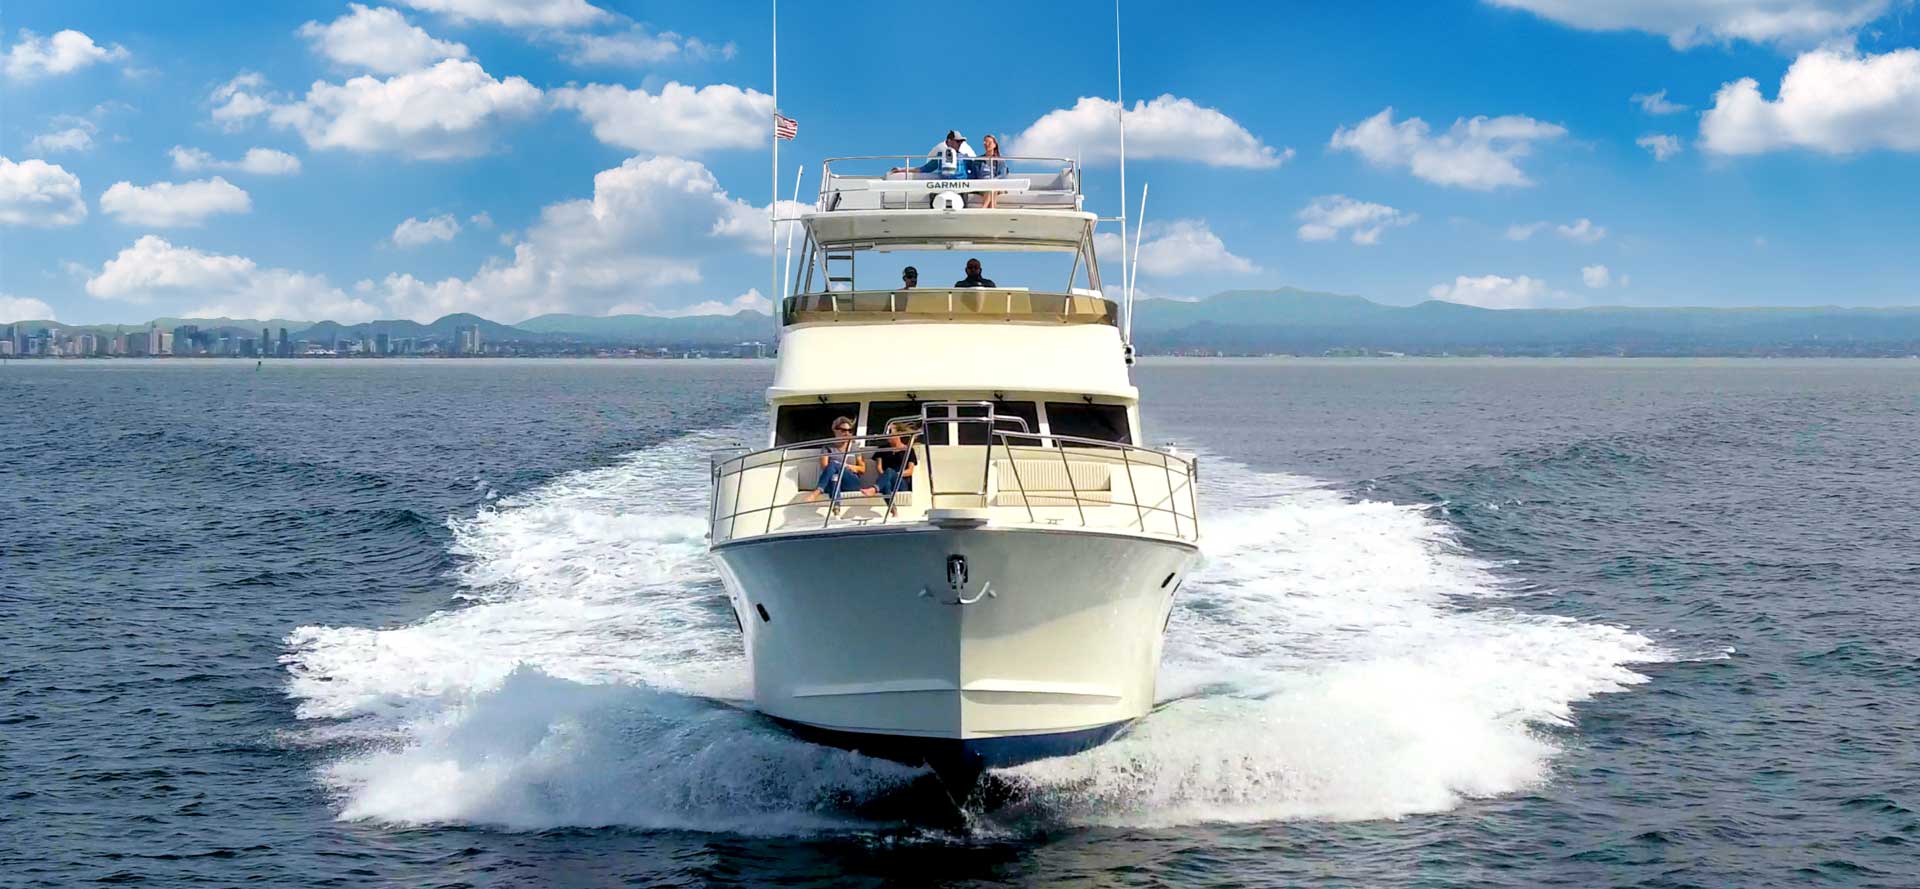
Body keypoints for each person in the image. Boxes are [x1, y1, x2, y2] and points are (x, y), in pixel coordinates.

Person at [806, 417, 874, 503]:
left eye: (850, 431)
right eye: (843, 430)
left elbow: (862, 469)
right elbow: (825, 467)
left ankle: (817, 491)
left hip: (851, 482)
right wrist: (839, 467)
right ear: (835, 430)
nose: (847, 433)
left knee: (833, 464)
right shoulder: (828, 447)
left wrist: (846, 466)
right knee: (834, 477)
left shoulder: (854, 447)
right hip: (832, 481)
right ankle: (836, 507)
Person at [873, 421, 918, 515]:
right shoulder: (882, 449)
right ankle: (893, 510)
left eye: (890, 431)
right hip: (886, 479)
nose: (887, 434)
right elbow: (879, 469)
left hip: (901, 482)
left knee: (889, 471)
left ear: (899, 434)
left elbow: (910, 471)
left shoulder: (908, 449)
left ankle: (874, 488)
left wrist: (894, 475)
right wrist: (887, 476)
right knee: (886, 483)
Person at [893, 130, 976, 177]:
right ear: (949, 141)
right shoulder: (940, 157)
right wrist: (901, 169)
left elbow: (975, 171)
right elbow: (924, 169)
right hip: (943, 188)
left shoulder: (965, 157)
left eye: (961, 141)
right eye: (958, 141)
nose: (960, 143)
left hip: (962, 188)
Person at [968, 134, 1008, 209]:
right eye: (985, 142)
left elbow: (1003, 174)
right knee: (992, 187)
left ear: (994, 145)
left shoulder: (1000, 160)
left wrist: (993, 181)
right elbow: (974, 175)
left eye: (989, 142)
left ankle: (983, 209)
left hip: (995, 184)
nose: (987, 144)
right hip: (982, 184)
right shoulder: (978, 160)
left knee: (993, 186)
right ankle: (991, 211)